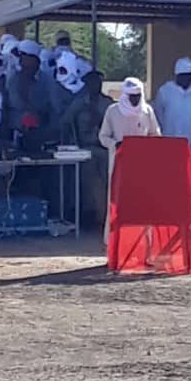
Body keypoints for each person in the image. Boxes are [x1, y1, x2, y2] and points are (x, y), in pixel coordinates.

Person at [99, 77, 161, 242]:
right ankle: (113, 242)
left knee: (143, 204)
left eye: (138, 96)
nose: (135, 100)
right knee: (117, 203)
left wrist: (147, 145)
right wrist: (115, 144)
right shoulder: (113, 111)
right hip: (119, 164)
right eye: (132, 96)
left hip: (142, 165)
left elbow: (155, 134)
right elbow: (103, 136)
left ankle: (143, 243)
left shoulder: (147, 111)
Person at [62, 70, 113, 227]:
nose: (95, 85)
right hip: (85, 147)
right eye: (91, 82)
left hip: (104, 148)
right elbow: (66, 122)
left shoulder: (108, 103)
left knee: (107, 180)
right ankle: (89, 215)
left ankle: (105, 215)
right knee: (87, 180)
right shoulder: (79, 103)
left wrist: (99, 118)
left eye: (97, 82)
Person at [5, 39, 54, 142]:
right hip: (14, 132)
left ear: (34, 59)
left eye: (22, 56)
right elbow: (9, 104)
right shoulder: (13, 79)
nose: (20, 60)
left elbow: (51, 108)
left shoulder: (46, 81)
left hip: (39, 133)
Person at [152, 57, 191, 144]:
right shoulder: (165, 91)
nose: (185, 78)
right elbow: (158, 115)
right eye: (182, 75)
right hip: (170, 142)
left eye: (188, 75)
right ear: (177, 76)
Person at [49, 51, 90, 137]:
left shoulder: (84, 88)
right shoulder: (55, 86)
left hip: (79, 131)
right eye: (61, 70)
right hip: (57, 129)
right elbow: (58, 108)